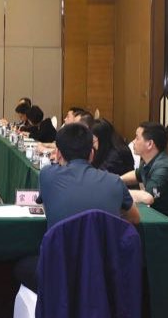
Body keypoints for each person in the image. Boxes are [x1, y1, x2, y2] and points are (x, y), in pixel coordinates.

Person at [15, 123, 139, 290]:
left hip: (60, 274)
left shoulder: (47, 175)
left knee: (20, 266)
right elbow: (134, 218)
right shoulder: (115, 181)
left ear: (58, 153)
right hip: (103, 275)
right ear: (92, 154)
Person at [121, 122, 168, 245]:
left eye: (137, 138)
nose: (133, 142)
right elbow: (137, 174)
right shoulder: (151, 161)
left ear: (149, 144)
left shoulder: (163, 168)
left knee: (124, 236)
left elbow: (147, 198)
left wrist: (117, 190)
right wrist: (117, 179)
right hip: (162, 221)